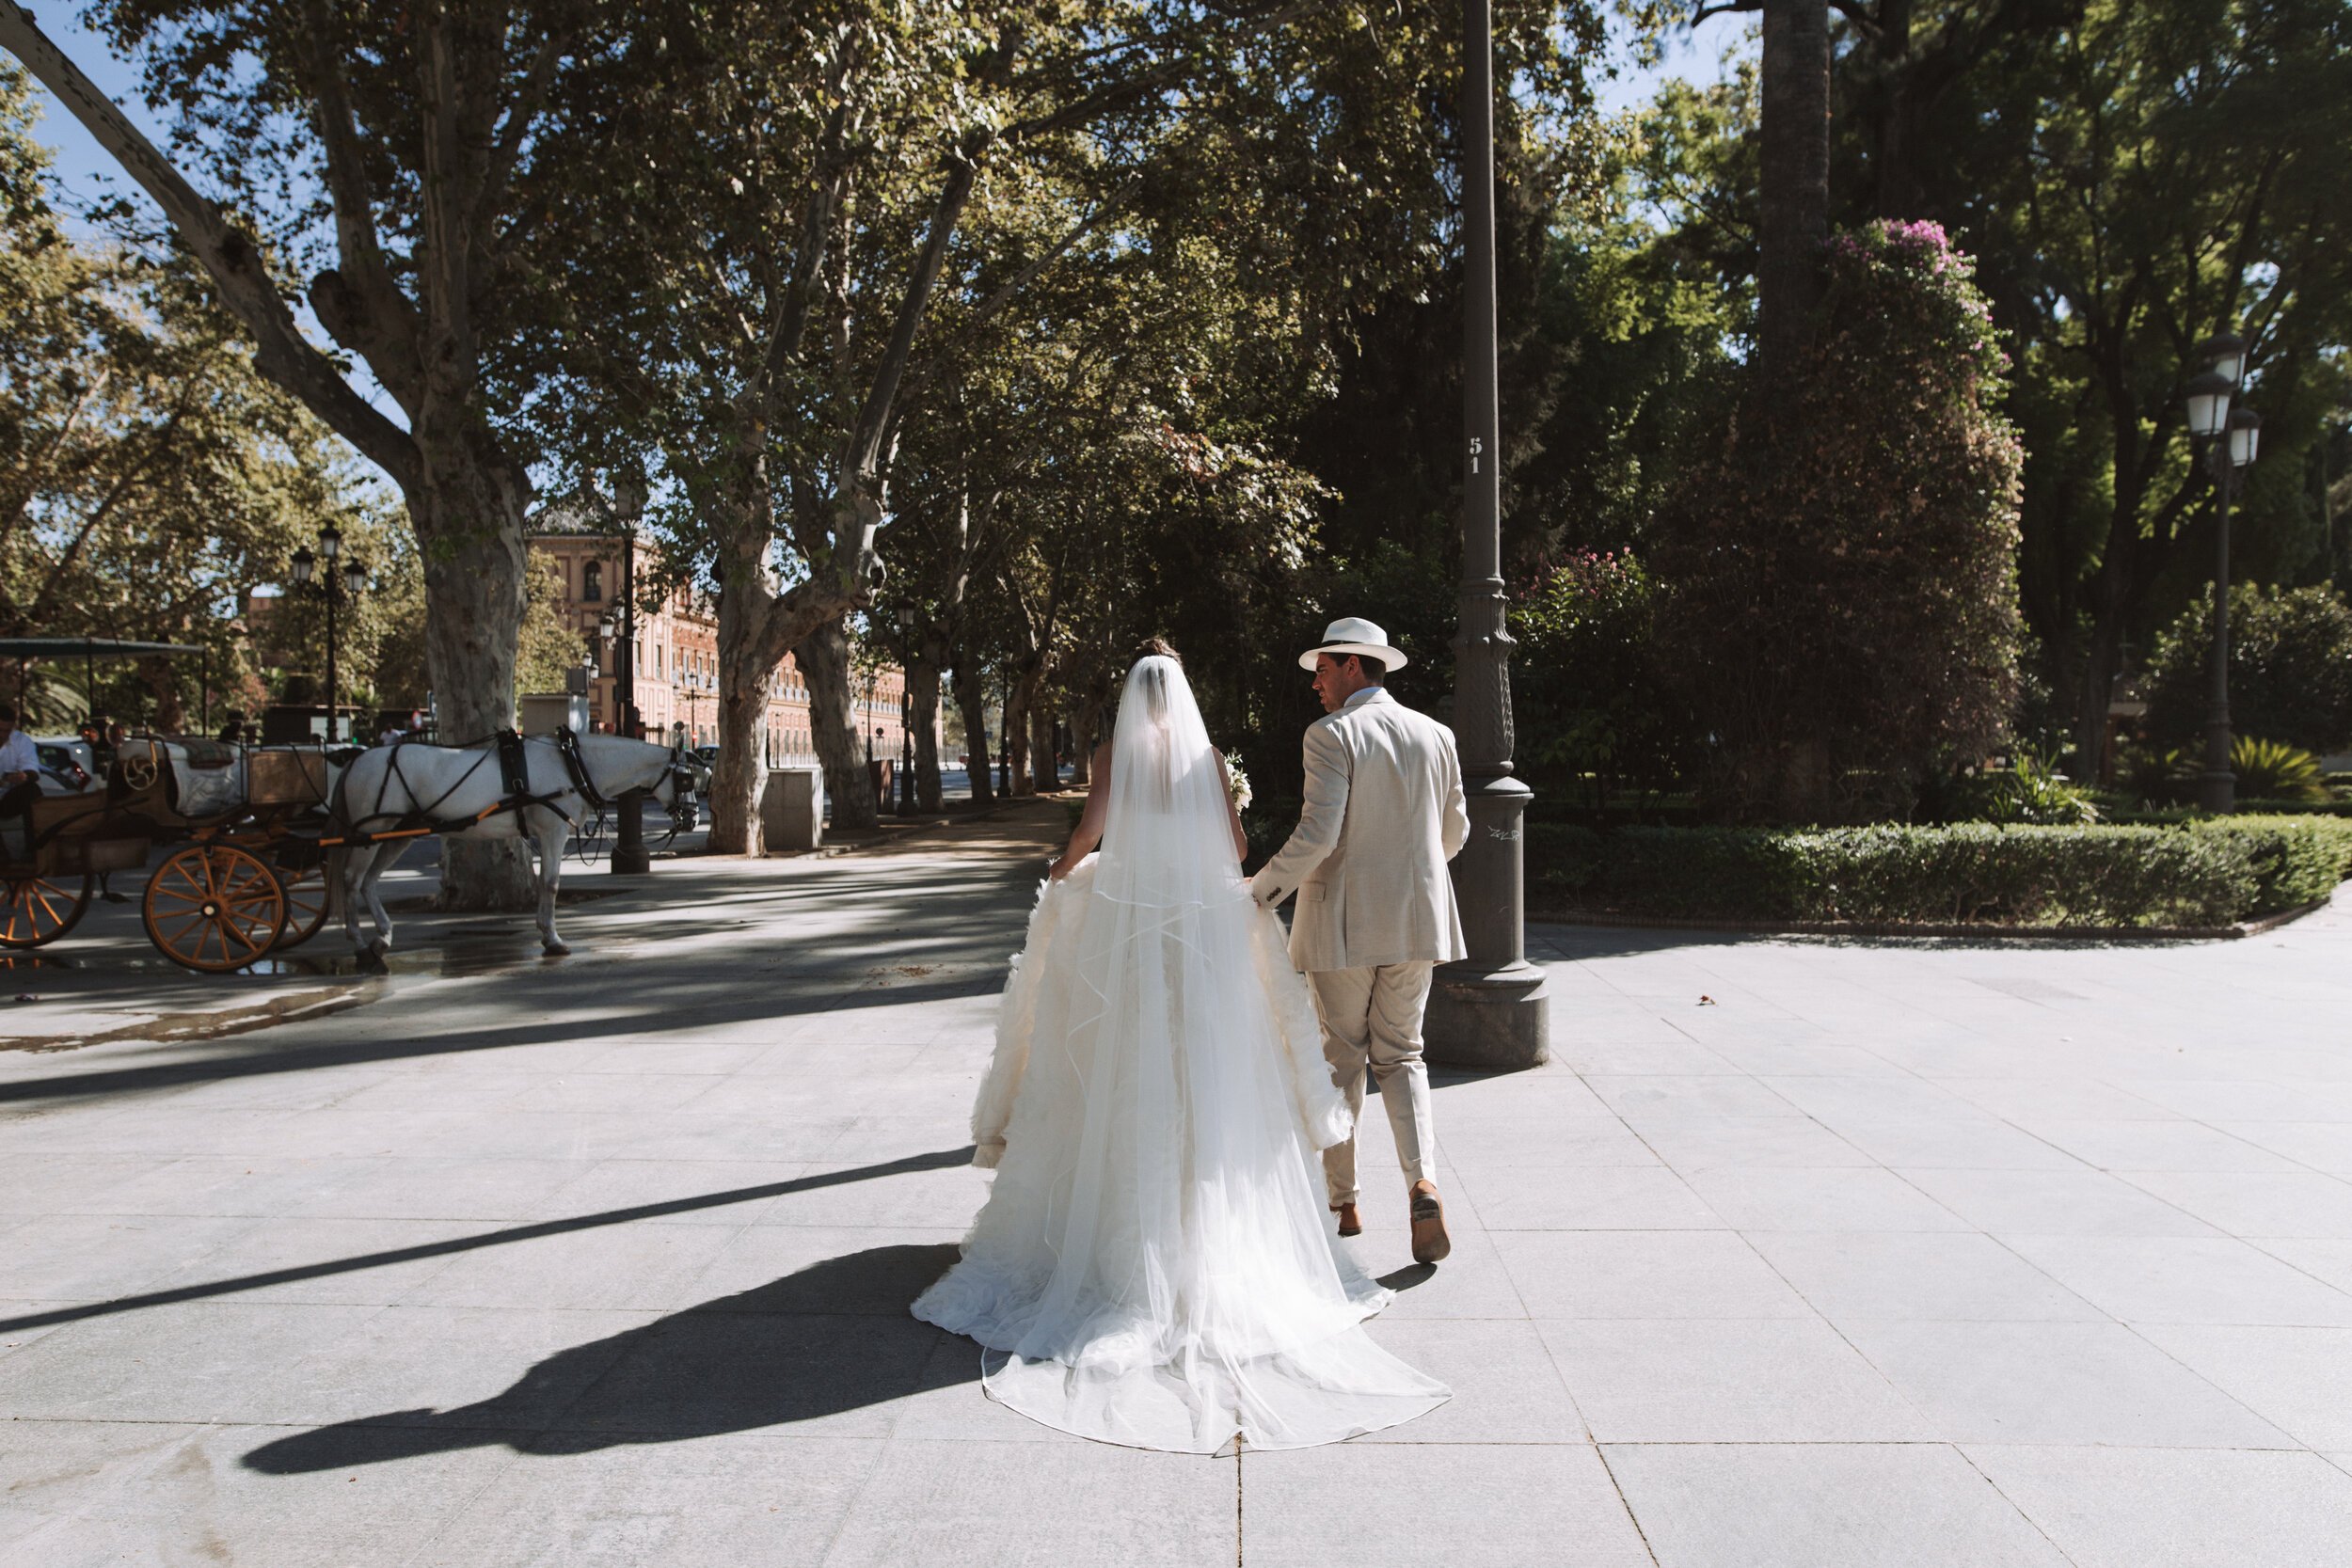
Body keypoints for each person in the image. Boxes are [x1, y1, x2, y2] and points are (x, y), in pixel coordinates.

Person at [914, 640, 1447, 1452]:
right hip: (1236, 930)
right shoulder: (1210, 757)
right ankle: (1326, 1204)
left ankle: (1151, 1232)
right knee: (1230, 1080)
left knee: (1126, 1074)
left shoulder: (1112, 754)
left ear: (1129, 699)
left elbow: (1092, 836)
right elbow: (1234, 849)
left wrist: (1059, 872)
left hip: (1133, 932)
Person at [1251, 617, 1470, 1266]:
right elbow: (1453, 832)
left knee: (1341, 1060)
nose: (1315, 685)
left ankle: (1342, 1201)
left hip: (1343, 923)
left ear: (1353, 666)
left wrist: (1260, 892)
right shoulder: (1438, 734)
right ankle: (1421, 1181)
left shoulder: (1331, 735)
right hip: (1418, 921)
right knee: (1403, 1055)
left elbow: (1319, 834)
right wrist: (1414, 874)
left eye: (1321, 670)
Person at [0, 703, 41, 859]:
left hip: (8, 798)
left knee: (32, 791)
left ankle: (33, 849)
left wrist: (24, 776)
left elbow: (32, 769)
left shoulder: (21, 741)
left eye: (6, 731)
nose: (3, 735)